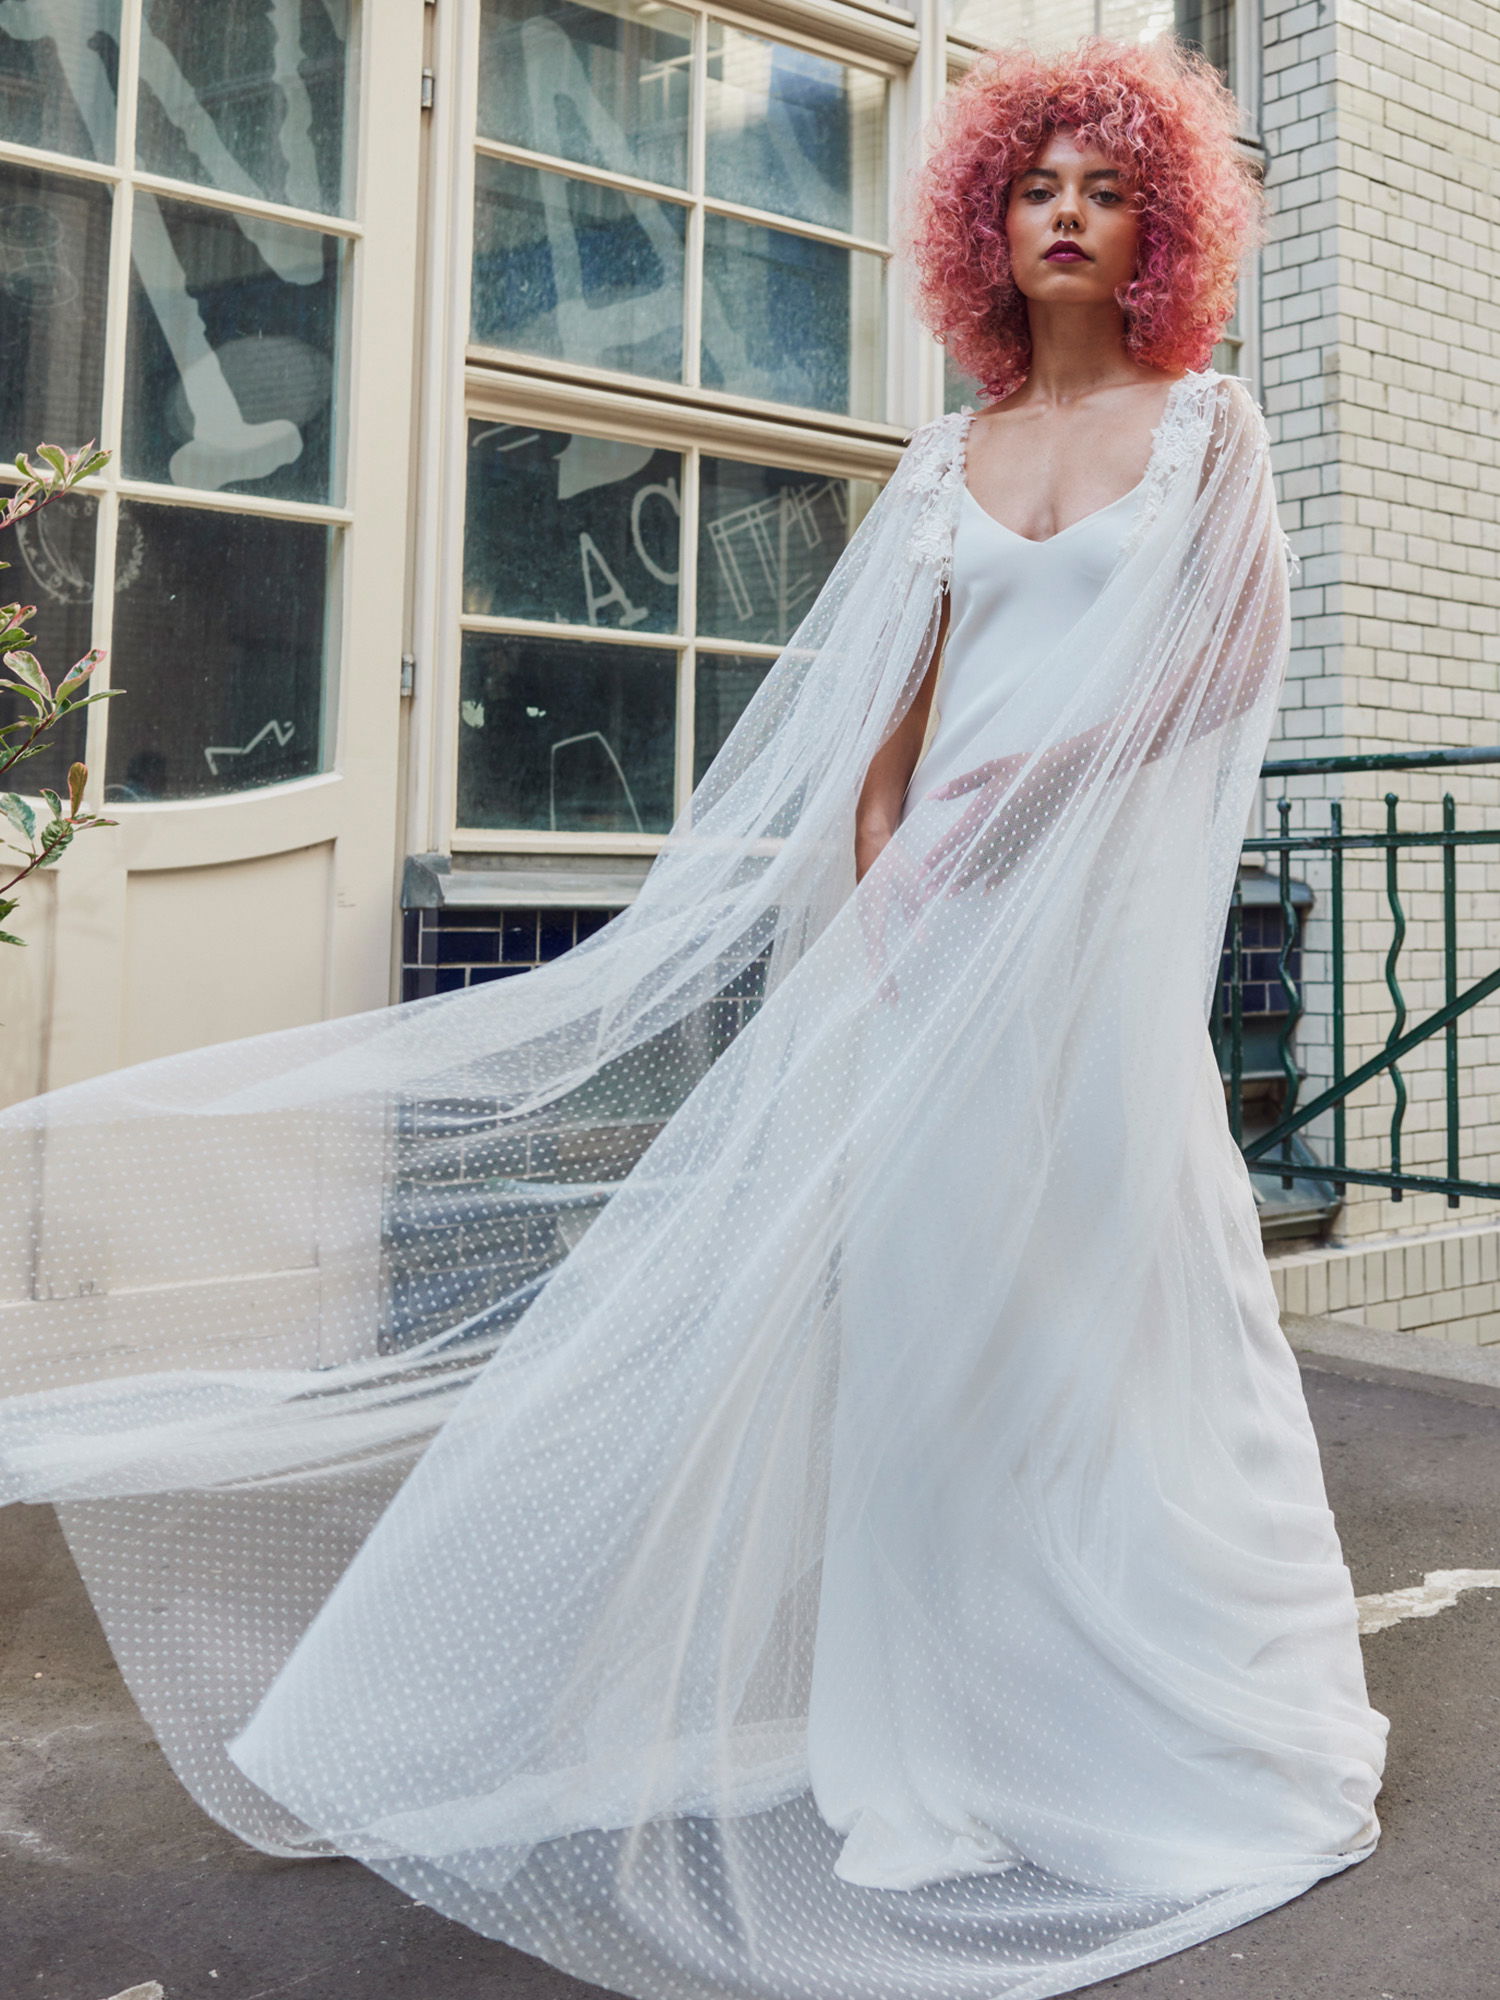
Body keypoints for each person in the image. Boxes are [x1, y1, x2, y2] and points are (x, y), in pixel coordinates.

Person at [0, 33, 1385, 2000]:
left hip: (1087, 987)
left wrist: (1014, 817)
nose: (1065, 211)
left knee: (1116, 1345)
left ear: (1160, 221)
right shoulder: (947, 460)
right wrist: (899, 883)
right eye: (1033, 183)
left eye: (1104, 185)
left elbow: (1213, 666)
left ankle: (1159, 1750)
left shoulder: (1212, 431)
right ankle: (946, 1753)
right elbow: (886, 753)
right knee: (930, 1359)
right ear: (987, 220)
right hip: (926, 970)